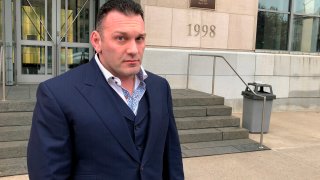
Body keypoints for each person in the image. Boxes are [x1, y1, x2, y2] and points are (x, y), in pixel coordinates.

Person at [27, 0, 184, 179]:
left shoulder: (160, 87)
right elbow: (48, 174)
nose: (134, 49)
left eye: (139, 38)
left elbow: (171, 159)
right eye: (121, 38)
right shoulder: (57, 94)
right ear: (96, 41)